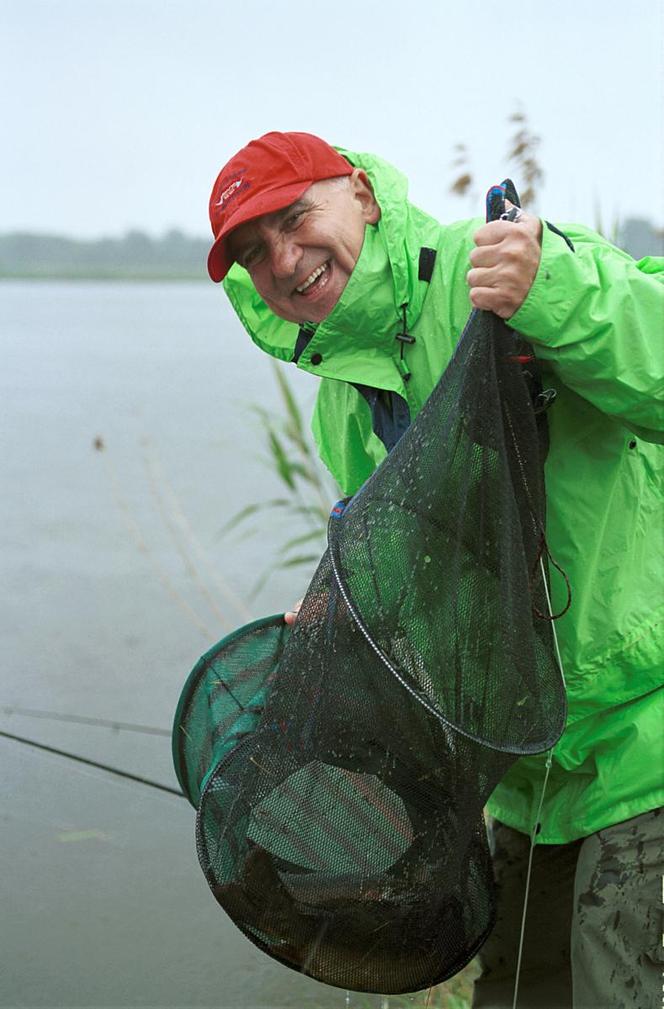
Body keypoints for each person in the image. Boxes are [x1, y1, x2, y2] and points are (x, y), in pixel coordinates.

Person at [206, 131, 664, 1008]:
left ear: (363, 198)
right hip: (530, 775)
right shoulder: (344, 402)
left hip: (643, 735)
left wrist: (554, 293)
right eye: (256, 254)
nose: (286, 260)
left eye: (296, 218)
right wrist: (346, 616)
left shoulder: (494, 264)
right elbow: (419, 581)